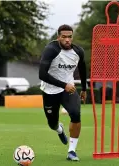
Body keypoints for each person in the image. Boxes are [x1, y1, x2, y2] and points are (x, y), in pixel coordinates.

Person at [38, 24, 87, 161]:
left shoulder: (78, 51)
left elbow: (83, 69)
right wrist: (63, 85)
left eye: (69, 37)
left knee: (76, 114)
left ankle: (72, 151)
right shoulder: (51, 50)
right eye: (64, 37)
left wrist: (84, 89)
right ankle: (59, 129)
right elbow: (42, 74)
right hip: (50, 91)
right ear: (58, 37)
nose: (67, 40)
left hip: (69, 89)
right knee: (52, 123)